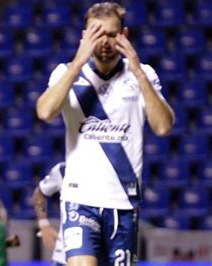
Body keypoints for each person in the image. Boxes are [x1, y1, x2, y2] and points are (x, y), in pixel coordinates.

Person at [36, 2, 174, 266]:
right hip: (80, 200)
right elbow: (45, 111)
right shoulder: (66, 73)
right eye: (96, 34)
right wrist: (78, 61)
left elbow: (163, 127)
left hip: (123, 202)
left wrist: (137, 71)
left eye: (111, 34)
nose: (105, 41)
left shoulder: (142, 75)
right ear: (85, 36)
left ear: (124, 35)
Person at [33, 162, 66, 266]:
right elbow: (40, 192)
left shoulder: (111, 170)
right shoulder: (63, 170)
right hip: (63, 254)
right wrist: (43, 223)